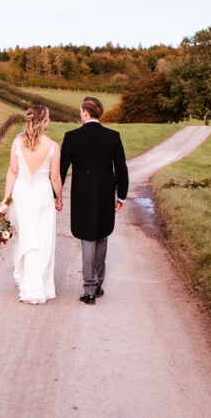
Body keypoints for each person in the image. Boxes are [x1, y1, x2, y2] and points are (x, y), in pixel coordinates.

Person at [59, 97, 128, 305]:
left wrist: (55, 194)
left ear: (85, 113)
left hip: (82, 195)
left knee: (88, 238)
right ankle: (97, 285)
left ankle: (89, 289)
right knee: (101, 235)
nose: (81, 115)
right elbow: (121, 169)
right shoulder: (113, 137)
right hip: (106, 193)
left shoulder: (71, 137)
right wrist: (121, 195)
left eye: (81, 112)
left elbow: (61, 169)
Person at [0, 105, 63, 304]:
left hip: (22, 194)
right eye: (49, 117)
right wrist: (59, 199)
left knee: (26, 239)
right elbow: (55, 178)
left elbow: (12, 172)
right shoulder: (53, 146)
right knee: (41, 241)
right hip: (43, 196)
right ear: (44, 121)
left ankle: (28, 282)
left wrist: (6, 199)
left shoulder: (17, 143)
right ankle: (36, 287)